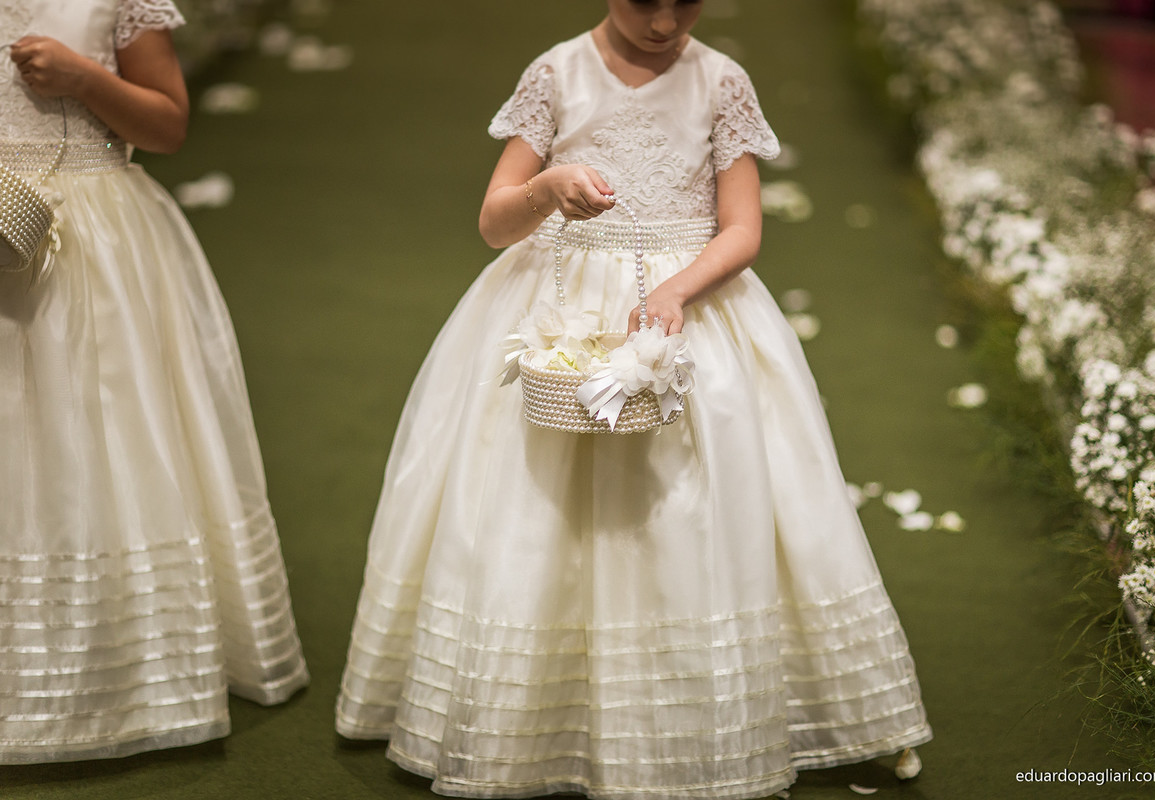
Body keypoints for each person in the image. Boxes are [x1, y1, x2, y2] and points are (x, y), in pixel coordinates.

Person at [336, 1, 931, 796]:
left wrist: (679, 291)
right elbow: (493, 221)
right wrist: (547, 187)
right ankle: (535, 718)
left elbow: (742, 227)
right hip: (564, 304)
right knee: (540, 515)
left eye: (685, 2)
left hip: (687, 305)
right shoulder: (557, 74)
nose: (663, 21)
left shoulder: (720, 81)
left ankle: (709, 713)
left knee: (696, 510)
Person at [0, 0, 308, 763]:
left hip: (90, 232)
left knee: (98, 441)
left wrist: (80, 77)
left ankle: (119, 669)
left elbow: (166, 125)